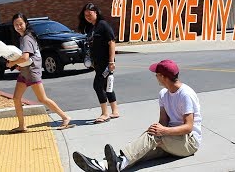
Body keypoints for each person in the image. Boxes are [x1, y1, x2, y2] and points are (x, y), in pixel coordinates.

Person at [72, 59, 202, 171]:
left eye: (156, 74)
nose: (155, 76)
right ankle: (103, 165)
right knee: (140, 151)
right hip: (172, 139)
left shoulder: (185, 94)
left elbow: (188, 127)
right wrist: (157, 129)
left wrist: (163, 131)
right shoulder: (163, 94)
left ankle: (116, 162)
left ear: (163, 76)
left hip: (189, 142)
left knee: (151, 138)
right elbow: (163, 121)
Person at [7, 13, 73, 133]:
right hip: (25, 71)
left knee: (42, 98)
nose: (18, 26)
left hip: (32, 72)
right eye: (16, 25)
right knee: (16, 98)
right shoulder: (24, 37)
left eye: (20, 24)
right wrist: (18, 65)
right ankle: (22, 126)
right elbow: (27, 57)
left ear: (26, 23)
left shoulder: (27, 38)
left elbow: (25, 57)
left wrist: (12, 63)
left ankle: (65, 117)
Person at [78, 3, 119, 123]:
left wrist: (111, 61)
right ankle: (115, 111)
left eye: (90, 14)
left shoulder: (103, 25)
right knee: (107, 85)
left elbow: (111, 42)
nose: (88, 17)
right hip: (97, 63)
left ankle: (104, 113)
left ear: (96, 12)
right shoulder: (92, 28)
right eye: (85, 15)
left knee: (97, 85)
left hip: (106, 63)